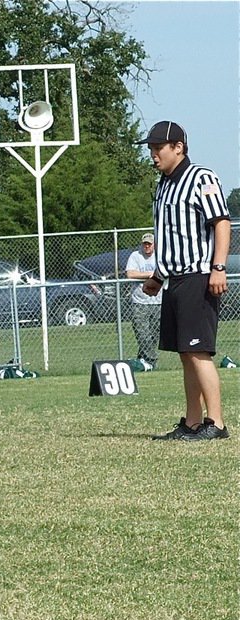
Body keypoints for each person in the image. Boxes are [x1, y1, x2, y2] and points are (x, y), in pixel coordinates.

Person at [139, 121, 231, 441]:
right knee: (184, 352)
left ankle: (216, 423)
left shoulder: (200, 178)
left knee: (198, 351)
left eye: (158, 148)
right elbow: (169, 237)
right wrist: (157, 277)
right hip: (174, 278)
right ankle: (192, 423)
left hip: (198, 274)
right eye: (150, 149)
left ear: (178, 147)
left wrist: (218, 267)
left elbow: (221, 222)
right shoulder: (163, 185)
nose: (153, 155)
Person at [125, 233, 161, 370]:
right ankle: (151, 361)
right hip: (139, 302)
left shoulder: (160, 256)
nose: (147, 246)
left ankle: (142, 362)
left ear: (154, 244)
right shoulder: (135, 256)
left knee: (153, 336)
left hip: (158, 301)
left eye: (149, 244)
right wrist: (150, 275)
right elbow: (130, 274)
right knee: (142, 334)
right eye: (145, 243)